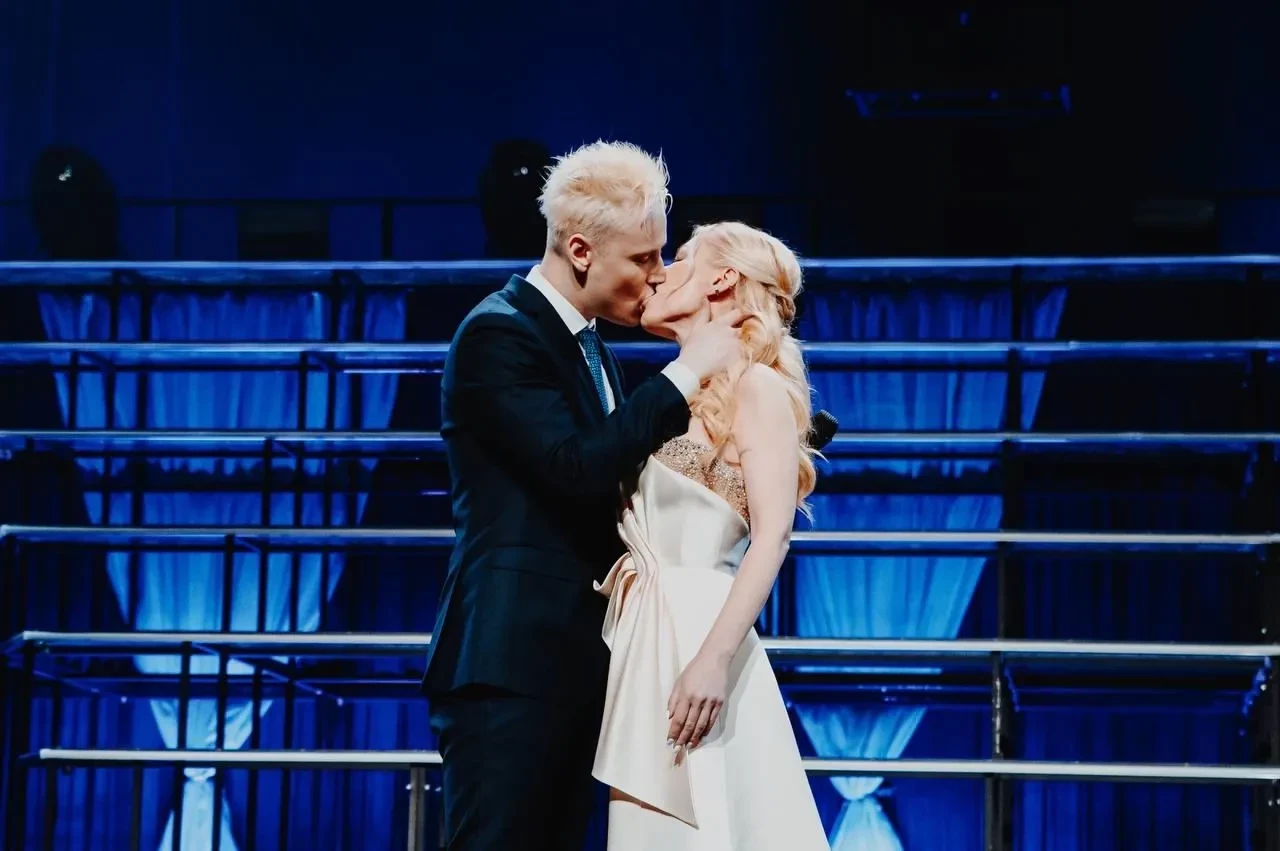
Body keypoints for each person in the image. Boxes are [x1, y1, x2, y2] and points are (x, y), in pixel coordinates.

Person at [422, 140, 747, 851]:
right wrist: (687, 371)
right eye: (643, 258)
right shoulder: (497, 333)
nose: (657, 274)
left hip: (574, 665)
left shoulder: (591, 348)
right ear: (579, 250)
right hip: (512, 666)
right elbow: (575, 466)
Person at [593, 221, 829, 849]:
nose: (661, 273)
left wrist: (713, 661)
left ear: (722, 278)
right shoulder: (677, 390)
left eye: (680, 258)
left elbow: (773, 536)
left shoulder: (758, 387)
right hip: (647, 630)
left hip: (701, 633)